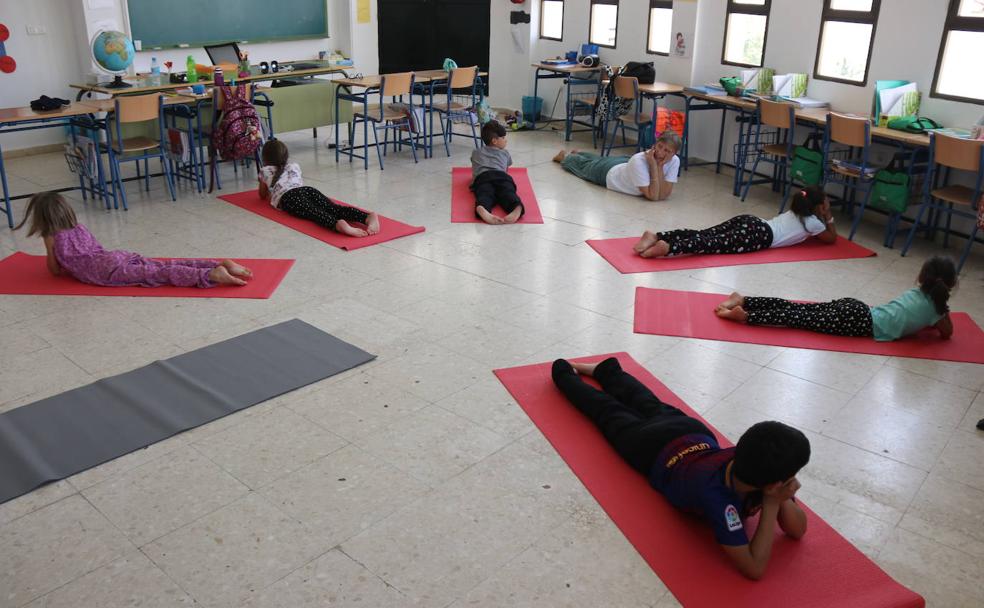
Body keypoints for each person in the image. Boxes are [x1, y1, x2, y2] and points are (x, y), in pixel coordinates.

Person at [552, 357, 809, 580]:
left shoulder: (757, 461)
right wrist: (773, 503)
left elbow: (797, 531)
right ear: (774, 483)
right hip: (651, 448)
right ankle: (563, 373)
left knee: (645, 402)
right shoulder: (719, 500)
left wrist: (779, 497)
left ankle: (605, 370)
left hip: (693, 433)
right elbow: (754, 569)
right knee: (607, 411)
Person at [15, 192, 250, 287]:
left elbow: (54, 270)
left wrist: (50, 249)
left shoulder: (52, 236)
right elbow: (96, 249)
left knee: (159, 274)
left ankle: (209, 275)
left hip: (103, 270)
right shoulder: (80, 227)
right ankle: (216, 263)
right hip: (113, 257)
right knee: (161, 265)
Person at [716, 256, 958, 341]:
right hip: (859, 323)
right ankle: (746, 315)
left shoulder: (916, 292)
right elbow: (947, 333)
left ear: (923, 277)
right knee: (796, 318)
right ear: (950, 283)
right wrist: (939, 317)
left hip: (856, 308)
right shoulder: (936, 310)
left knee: (796, 308)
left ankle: (745, 300)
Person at [632, 185, 836, 258]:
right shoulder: (814, 224)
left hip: (751, 221)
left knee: (705, 234)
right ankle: (668, 247)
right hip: (760, 236)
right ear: (818, 206)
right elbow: (831, 239)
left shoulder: (796, 211)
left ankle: (658, 236)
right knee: (711, 244)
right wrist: (828, 216)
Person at [259, 139, 380, 237]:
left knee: (315, 213)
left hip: (289, 198)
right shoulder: (293, 165)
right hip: (307, 190)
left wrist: (268, 189)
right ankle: (366, 217)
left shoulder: (264, 171)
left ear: (265, 158)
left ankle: (337, 224)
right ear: (286, 155)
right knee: (334, 208)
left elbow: (262, 194)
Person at [553, 130, 682, 201]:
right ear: (655, 144)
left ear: (674, 153)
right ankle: (565, 156)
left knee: (599, 160)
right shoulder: (639, 161)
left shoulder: (675, 160)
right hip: (608, 173)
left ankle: (581, 153)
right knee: (584, 168)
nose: (660, 152)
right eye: (660, 146)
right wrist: (655, 166)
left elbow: (664, 194)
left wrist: (658, 166)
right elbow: (653, 196)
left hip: (624, 165)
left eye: (667, 151)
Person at [470, 120, 524, 225]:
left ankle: (482, 207)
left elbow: (474, 165)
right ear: (494, 141)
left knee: (485, 193)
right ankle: (516, 207)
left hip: (482, 178)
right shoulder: (505, 153)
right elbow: (505, 170)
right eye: (503, 138)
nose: (506, 140)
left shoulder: (476, 152)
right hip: (502, 176)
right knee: (507, 192)